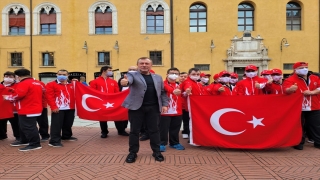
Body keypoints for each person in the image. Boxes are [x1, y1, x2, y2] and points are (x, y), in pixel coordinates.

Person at [121, 57, 169, 163]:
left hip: (153, 108)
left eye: (146, 63)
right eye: (141, 63)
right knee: (134, 131)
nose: (144, 65)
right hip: (136, 108)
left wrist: (165, 104)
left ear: (150, 65)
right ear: (138, 65)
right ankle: (133, 152)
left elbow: (162, 92)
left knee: (154, 130)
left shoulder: (158, 77)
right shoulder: (132, 75)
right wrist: (124, 82)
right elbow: (127, 81)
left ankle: (156, 151)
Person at [3, 69, 43, 151]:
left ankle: (35, 144)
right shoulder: (37, 83)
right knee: (27, 126)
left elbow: (19, 95)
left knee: (28, 127)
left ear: (18, 76)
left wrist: (7, 97)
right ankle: (25, 140)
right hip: (35, 107)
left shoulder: (23, 83)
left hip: (27, 108)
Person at [283, 62, 320, 150]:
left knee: (316, 125)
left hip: (314, 106)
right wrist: (290, 90)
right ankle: (298, 142)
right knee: (299, 126)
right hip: (298, 107)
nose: (304, 69)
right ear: (295, 70)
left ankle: (318, 142)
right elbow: (286, 90)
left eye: (306, 67)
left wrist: (312, 92)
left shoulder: (314, 78)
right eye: (301, 67)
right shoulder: (290, 80)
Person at [90, 66, 129, 137]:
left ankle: (121, 130)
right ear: (104, 71)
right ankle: (104, 132)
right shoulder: (94, 82)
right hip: (101, 102)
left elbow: (117, 93)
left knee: (117, 115)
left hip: (112, 102)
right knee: (102, 117)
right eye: (109, 70)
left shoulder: (113, 82)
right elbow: (92, 93)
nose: (111, 71)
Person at [46, 69, 77, 148]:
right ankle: (54, 141)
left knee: (68, 123)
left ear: (68, 75)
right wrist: (53, 107)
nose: (62, 76)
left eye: (64, 74)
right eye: (60, 74)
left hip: (70, 108)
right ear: (57, 75)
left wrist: (78, 83)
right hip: (58, 108)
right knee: (56, 125)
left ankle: (66, 136)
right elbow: (49, 97)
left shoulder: (72, 84)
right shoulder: (51, 84)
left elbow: (81, 91)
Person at [160, 67, 185, 152]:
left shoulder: (180, 85)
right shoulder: (162, 84)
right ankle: (161, 143)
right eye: (172, 73)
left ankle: (174, 143)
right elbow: (167, 88)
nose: (174, 75)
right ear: (167, 74)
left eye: (176, 73)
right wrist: (173, 91)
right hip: (165, 111)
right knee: (163, 129)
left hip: (177, 111)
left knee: (175, 128)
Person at [0, 71, 20, 141]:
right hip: (2, 108)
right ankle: (2, 136)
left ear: (14, 78)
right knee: (1, 124)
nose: (8, 78)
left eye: (11, 77)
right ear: (4, 77)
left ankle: (18, 137)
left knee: (16, 124)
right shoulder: (0, 85)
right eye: (6, 76)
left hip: (14, 109)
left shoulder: (18, 85)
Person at [179, 72, 189, 139]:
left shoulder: (188, 85)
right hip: (177, 106)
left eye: (185, 76)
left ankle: (185, 131)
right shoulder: (176, 84)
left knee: (186, 119)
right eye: (181, 76)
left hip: (185, 106)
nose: (183, 78)